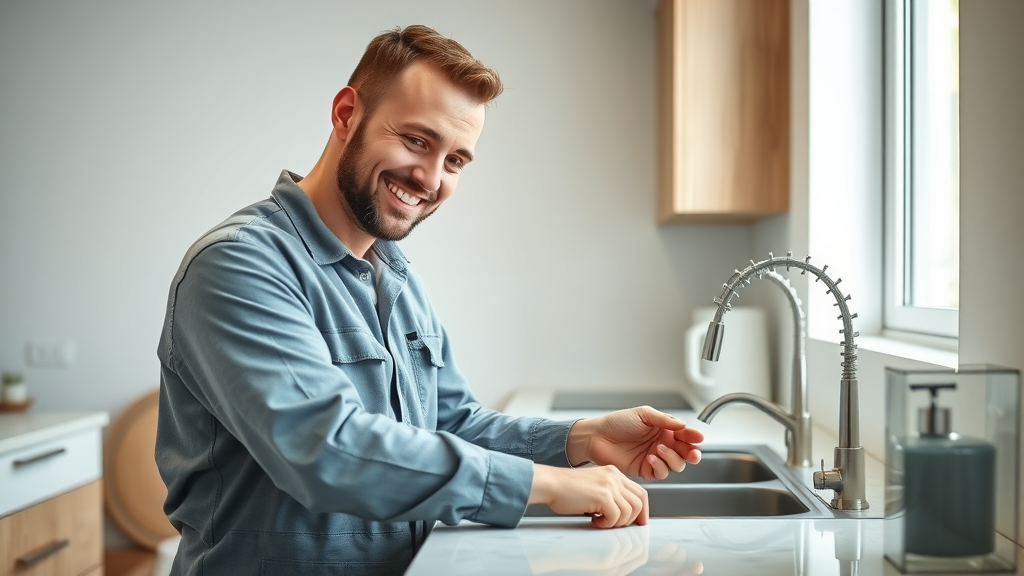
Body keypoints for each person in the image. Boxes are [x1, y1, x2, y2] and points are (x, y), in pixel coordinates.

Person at [155, 24, 704, 576]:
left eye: (456, 161)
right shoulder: (239, 265)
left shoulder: (394, 274)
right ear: (347, 114)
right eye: (417, 140)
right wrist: (547, 483)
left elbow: (451, 424)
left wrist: (582, 439)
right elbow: (325, 451)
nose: (430, 178)